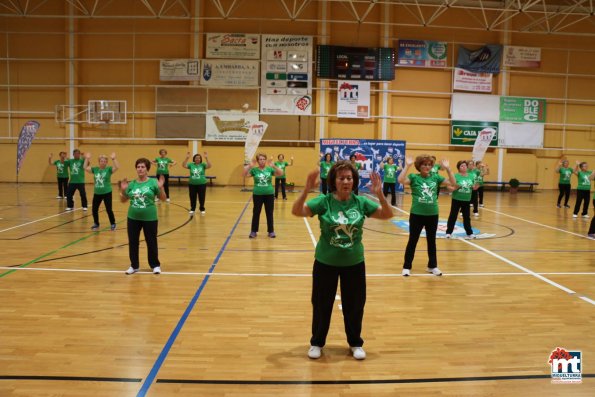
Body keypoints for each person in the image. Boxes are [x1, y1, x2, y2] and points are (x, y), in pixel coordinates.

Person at [291, 161, 393, 360]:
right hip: (325, 263)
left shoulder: (361, 202)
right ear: (334, 181)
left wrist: (379, 194)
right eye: (341, 178)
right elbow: (297, 211)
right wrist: (305, 190)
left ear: (354, 181)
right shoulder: (324, 201)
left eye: (349, 178)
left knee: (355, 305)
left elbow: (387, 215)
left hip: (354, 264)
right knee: (321, 305)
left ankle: (355, 343)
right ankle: (317, 343)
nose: (346, 181)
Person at [398, 155, 455, 277]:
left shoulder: (436, 177)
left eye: (429, 165)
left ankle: (432, 266)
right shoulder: (414, 177)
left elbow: (453, 183)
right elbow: (400, 180)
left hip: (432, 214)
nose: (427, 167)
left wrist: (449, 169)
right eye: (424, 164)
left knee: (431, 241)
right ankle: (407, 266)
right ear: (419, 166)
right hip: (416, 214)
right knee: (413, 240)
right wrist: (407, 166)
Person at [118, 158, 166, 275]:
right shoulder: (132, 184)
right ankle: (134, 266)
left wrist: (160, 188)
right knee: (133, 242)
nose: (140, 169)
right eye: (138, 167)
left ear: (147, 169)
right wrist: (123, 190)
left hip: (150, 218)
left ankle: (155, 265)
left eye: (143, 167)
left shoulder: (153, 183)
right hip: (133, 217)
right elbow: (123, 200)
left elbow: (163, 198)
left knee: (151, 242)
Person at [243, 153, 283, 238]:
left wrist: (274, 166)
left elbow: (281, 173)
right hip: (257, 194)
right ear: (257, 161)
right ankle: (253, 231)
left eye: (263, 159)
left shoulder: (269, 169)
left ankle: (271, 231)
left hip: (269, 194)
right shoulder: (254, 170)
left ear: (265, 160)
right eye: (260, 159)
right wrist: (249, 166)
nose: (262, 161)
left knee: (269, 213)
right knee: (256, 213)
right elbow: (244, 174)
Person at [84, 152, 119, 231]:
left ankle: (113, 223)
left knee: (109, 209)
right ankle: (96, 223)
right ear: (99, 162)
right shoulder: (95, 169)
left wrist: (113, 159)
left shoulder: (108, 169)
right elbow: (85, 167)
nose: (103, 162)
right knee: (94, 209)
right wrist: (87, 158)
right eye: (101, 161)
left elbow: (117, 167)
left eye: (104, 161)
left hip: (107, 192)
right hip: (97, 193)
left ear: (106, 162)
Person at [445, 160, 477, 239]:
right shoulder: (455, 176)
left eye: (465, 166)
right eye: (462, 166)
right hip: (456, 199)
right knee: (453, 216)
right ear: (458, 168)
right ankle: (449, 232)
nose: (464, 167)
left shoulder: (471, 176)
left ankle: (469, 233)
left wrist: (474, 186)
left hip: (466, 200)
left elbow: (474, 186)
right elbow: (448, 186)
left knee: (467, 217)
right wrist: (453, 188)